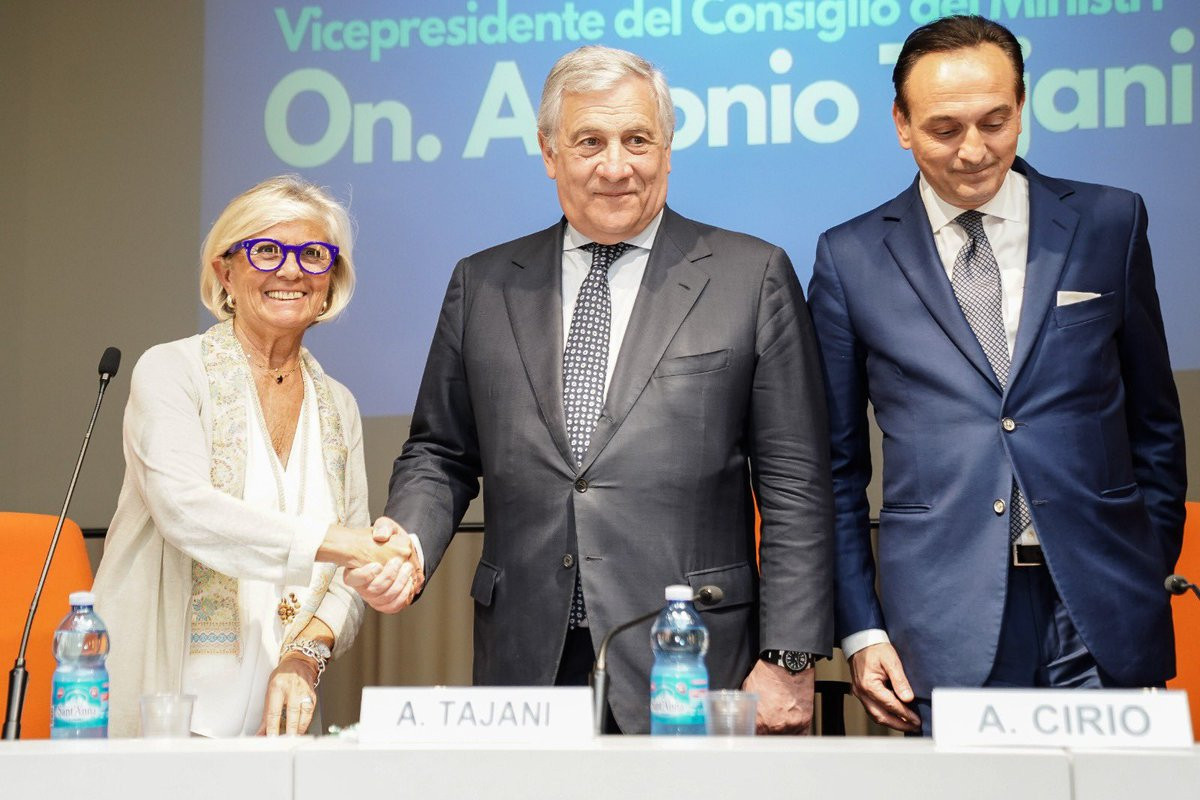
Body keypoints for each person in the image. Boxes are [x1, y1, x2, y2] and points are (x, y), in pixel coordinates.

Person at [352, 45, 834, 734]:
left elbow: (796, 483)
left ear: (667, 149)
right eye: (589, 142)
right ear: (549, 152)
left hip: (689, 655)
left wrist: (788, 656)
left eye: (637, 140)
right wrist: (409, 543)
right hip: (526, 656)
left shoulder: (751, 277)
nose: (615, 166)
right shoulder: (482, 284)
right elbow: (440, 452)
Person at [807, 15, 1187, 734]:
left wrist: (1141, 567)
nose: (975, 150)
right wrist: (862, 628)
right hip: (939, 622)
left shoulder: (1110, 222)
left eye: (995, 121)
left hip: (1103, 605)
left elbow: (1156, 426)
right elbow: (834, 468)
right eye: (945, 128)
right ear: (901, 124)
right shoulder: (849, 258)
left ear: (1022, 106)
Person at [93, 176, 413, 737]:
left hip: (279, 726)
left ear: (330, 281)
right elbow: (184, 509)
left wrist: (305, 658)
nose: (291, 271)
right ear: (226, 273)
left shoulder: (339, 405)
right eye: (266, 250)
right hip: (162, 709)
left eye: (313, 255)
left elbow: (346, 582)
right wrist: (345, 543)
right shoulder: (171, 370)